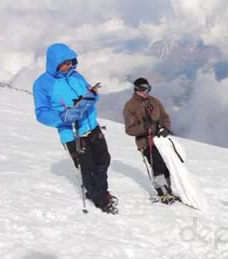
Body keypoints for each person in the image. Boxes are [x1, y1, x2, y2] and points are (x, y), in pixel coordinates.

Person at [33, 43, 117, 214]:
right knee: (87, 167)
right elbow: (41, 113)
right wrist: (62, 117)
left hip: (91, 126)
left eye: (72, 61)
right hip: (71, 133)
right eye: (66, 62)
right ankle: (100, 199)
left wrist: (92, 94)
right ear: (55, 62)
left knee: (103, 160)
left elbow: (89, 91)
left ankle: (102, 190)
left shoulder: (76, 76)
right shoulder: (42, 84)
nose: (70, 65)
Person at [123, 78, 177, 204]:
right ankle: (162, 191)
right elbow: (129, 130)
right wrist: (143, 127)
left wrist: (166, 128)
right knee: (157, 165)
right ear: (136, 90)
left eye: (148, 89)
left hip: (161, 139)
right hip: (146, 142)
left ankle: (169, 190)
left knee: (166, 165)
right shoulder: (130, 107)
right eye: (142, 89)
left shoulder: (154, 101)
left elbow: (165, 117)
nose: (146, 92)